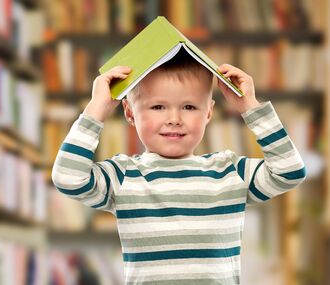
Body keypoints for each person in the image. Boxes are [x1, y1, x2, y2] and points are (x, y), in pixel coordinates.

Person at [51, 50, 306, 284]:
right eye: (158, 106)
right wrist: (97, 109)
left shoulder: (230, 172)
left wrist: (250, 106)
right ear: (129, 112)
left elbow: (289, 171)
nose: (174, 119)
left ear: (208, 112)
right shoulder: (123, 176)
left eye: (189, 107)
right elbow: (68, 178)